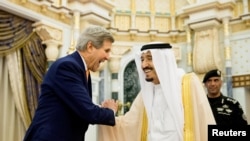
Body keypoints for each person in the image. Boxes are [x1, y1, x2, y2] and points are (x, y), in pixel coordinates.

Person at [98, 42, 216, 141]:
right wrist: (108, 114)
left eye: (150, 58)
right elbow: (128, 125)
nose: (144, 65)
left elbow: (204, 123)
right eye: (142, 59)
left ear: (163, 60)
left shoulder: (188, 83)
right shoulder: (146, 93)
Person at [23, 25, 119, 141]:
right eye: (106, 50)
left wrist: (100, 108)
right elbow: (88, 112)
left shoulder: (81, 69)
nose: (108, 57)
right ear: (90, 46)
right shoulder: (67, 67)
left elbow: (75, 105)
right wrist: (111, 111)